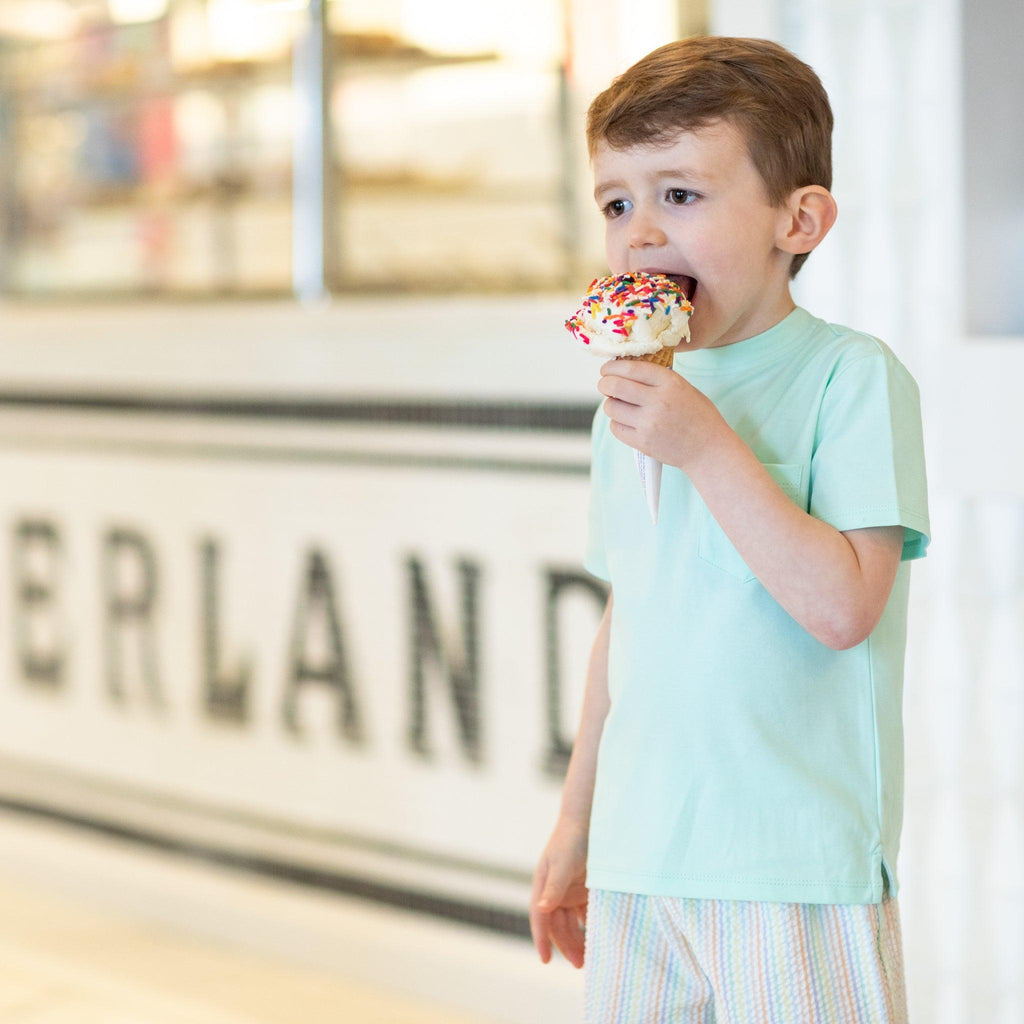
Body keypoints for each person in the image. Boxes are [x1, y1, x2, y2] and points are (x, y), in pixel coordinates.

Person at [529, 36, 930, 1024]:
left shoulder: (850, 379)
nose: (639, 235)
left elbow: (843, 608)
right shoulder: (626, 404)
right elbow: (628, 619)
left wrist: (707, 447)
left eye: (679, 194)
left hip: (794, 865)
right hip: (640, 858)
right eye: (615, 203)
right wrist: (577, 821)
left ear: (799, 220)